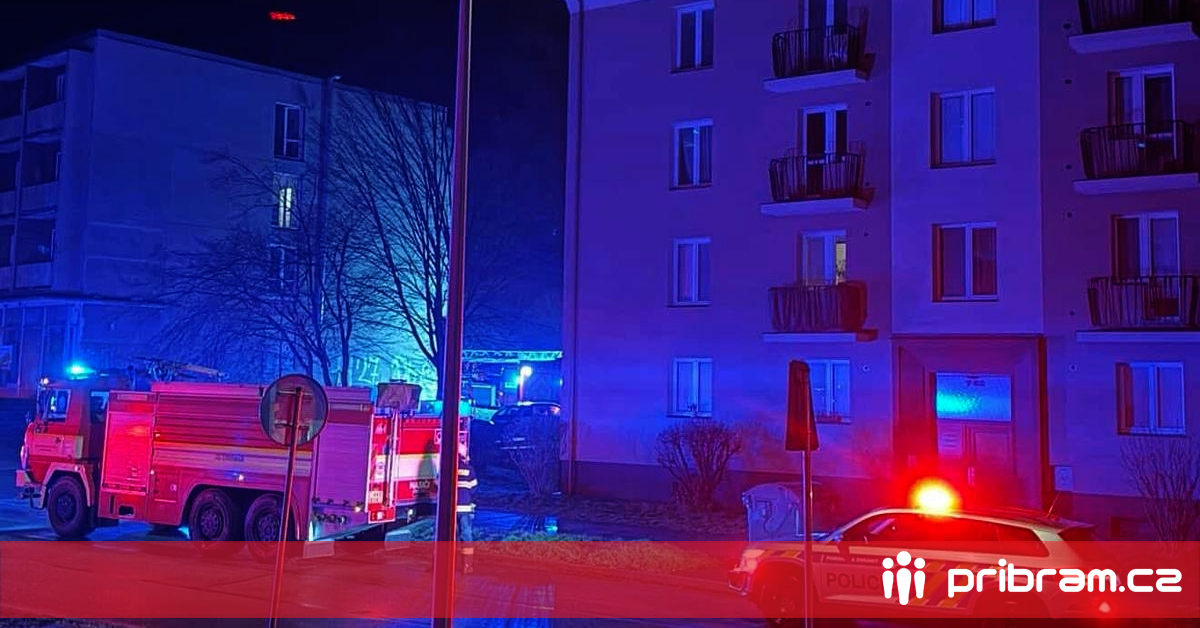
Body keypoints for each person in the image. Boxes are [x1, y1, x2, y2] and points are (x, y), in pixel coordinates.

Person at [455, 442, 477, 573]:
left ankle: (444, 564)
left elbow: (437, 483)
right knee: (466, 537)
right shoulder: (469, 470)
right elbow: (474, 489)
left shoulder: (448, 468)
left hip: (450, 511)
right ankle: (467, 565)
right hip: (464, 510)